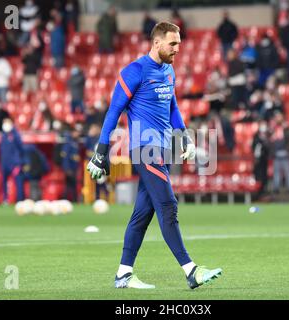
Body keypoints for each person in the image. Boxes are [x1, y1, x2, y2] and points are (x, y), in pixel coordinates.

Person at [86, 22, 222, 289]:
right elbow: (113, 113)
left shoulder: (169, 71)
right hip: (145, 151)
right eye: (173, 43)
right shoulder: (134, 72)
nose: (178, 49)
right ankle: (191, 270)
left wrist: (184, 137)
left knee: (142, 214)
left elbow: (172, 106)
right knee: (168, 205)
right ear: (156, 43)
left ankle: (123, 274)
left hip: (164, 150)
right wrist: (101, 153)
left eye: (179, 43)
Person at [0, 118, 25, 203]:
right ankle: (5, 199)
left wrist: (18, 161)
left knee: (18, 182)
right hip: (4, 163)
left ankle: (20, 200)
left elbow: (21, 148)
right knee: (4, 182)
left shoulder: (16, 134)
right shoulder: (3, 135)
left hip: (14, 163)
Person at [61, 129, 80, 202]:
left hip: (73, 167)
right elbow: (65, 157)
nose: (78, 134)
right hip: (70, 168)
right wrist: (67, 168)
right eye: (76, 132)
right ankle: (68, 199)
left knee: (71, 185)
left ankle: (71, 199)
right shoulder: (68, 142)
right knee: (70, 185)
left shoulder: (75, 142)